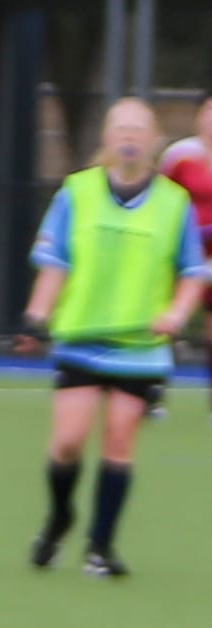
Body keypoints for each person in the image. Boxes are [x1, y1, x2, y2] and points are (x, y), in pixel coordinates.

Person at [21, 97, 204, 578]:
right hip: (80, 340)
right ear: (107, 136)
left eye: (139, 129)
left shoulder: (173, 203)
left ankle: (100, 546)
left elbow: (192, 272)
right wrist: (36, 316)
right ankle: (59, 518)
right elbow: (55, 265)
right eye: (121, 128)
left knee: (119, 441)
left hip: (140, 350)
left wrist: (176, 312)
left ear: (154, 140)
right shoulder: (76, 192)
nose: (129, 137)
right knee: (67, 442)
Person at [162, 94, 212, 413]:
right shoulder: (180, 156)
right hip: (183, 257)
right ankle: (151, 391)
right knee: (166, 321)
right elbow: (162, 201)